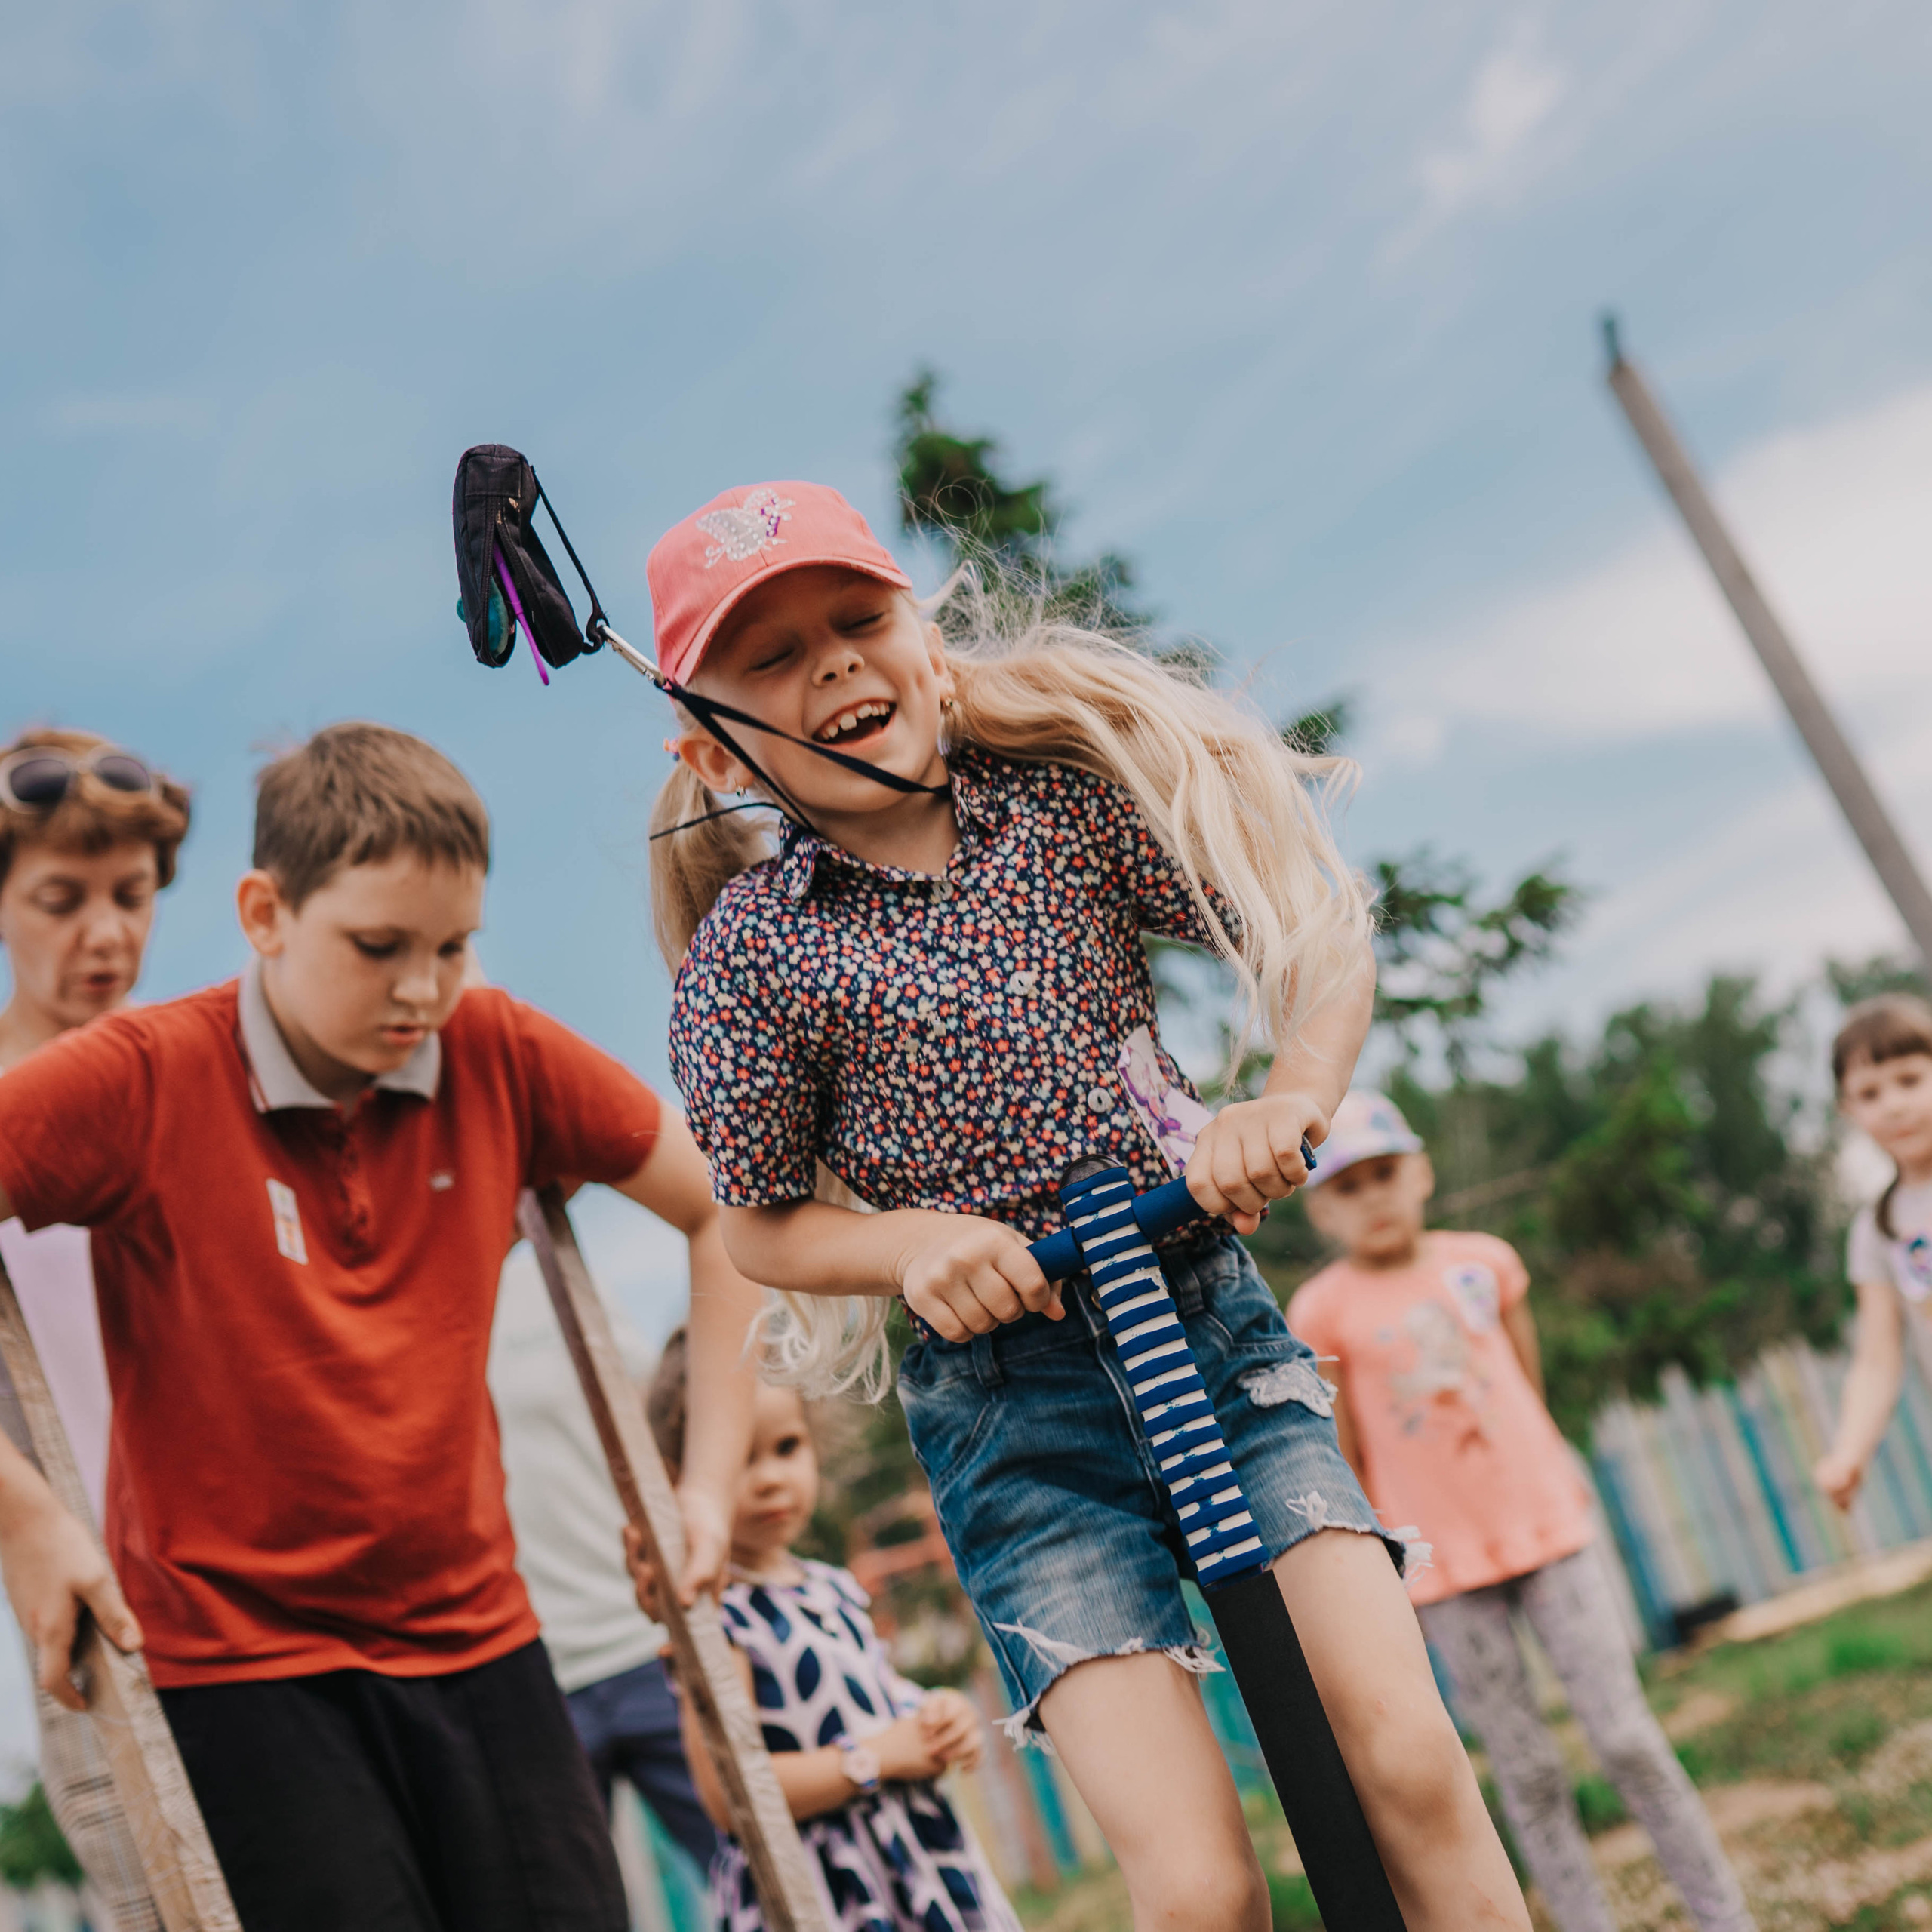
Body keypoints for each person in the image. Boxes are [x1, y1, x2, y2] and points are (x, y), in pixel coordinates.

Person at [645, 481, 1528, 1932]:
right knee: (1196, 1889)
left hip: (1212, 1335)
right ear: (709, 738)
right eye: (773, 657)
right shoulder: (755, 961)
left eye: (859, 620)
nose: (835, 667)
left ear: (925, 641)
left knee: (1409, 1761)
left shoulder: (1060, 813)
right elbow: (761, 1224)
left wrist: (1284, 1103)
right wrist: (922, 1242)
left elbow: (1316, 944)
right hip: (1014, 1424)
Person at [0, 721, 764, 1932]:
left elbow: (729, 1217)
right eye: (378, 947)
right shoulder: (143, 1078)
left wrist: (704, 1491)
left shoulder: (496, 1048)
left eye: (453, 947)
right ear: (264, 915)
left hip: (485, 1641)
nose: (422, 990)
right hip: (246, 1671)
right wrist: (25, 1514)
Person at [1290, 1090, 1755, 1932]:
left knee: (1625, 1738)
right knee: (1526, 1767)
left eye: (1387, 1173)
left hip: (1551, 1533)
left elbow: (1523, 1382)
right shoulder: (1321, 1310)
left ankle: (1723, 1914)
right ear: (1321, 1205)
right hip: (1448, 1571)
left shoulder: (1484, 1262)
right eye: (1349, 1185)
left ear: (1422, 1172)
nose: (1375, 1196)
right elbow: (1345, 1449)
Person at [0, 727, 192, 1932]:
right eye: (61, 901)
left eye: (129, 896)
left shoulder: (196, 1071)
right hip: (92, 1606)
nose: (106, 933)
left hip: (258, 1585)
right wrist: (22, 1515)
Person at [645, 1331, 1017, 1932]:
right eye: (739, 1456)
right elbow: (729, 1795)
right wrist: (875, 1758)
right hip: (821, 1887)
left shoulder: (833, 1587)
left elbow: (872, 1697)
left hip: (911, 1860)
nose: (769, 1478)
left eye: (787, 1446)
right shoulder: (716, 1620)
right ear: (679, 1478)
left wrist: (935, 1718)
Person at [489, 1245, 720, 1878]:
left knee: (753, 1872)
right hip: (534, 1675)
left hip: (650, 1645)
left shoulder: (552, 1269)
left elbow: (665, 1416)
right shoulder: (406, 1316)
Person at [1814, 993, 1932, 1512]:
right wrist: (1849, 1451)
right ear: (1848, 1110)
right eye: (1869, 1092)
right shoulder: (1877, 1229)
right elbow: (1878, 1359)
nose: (1894, 1104)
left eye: (1910, 1080)